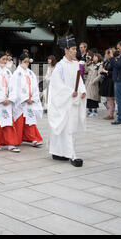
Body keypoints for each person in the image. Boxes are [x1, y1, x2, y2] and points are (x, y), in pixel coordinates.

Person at [48, 35, 86, 167]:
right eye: (73, 49)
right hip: (64, 101)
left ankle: (67, 151)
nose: (75, 51)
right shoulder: (60, 66)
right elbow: (56, 85)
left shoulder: (76, 64)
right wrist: (70, 93)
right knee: (64, 127)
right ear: (66, 50)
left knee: (71, 128)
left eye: (76, 49)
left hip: (73, 101)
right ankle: (62, 152)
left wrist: (82, 91)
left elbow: (79, 80)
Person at [9, 53, 43, 148]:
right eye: (25, 62)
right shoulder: (16, 73)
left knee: (30, 121)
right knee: (19, 121)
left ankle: (33, 139)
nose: (26, 63)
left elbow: (35, 86)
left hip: (30, 101)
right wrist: (24, 98)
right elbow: (15, 88)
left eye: (28, 62)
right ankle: (17, 138)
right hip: (21, 102)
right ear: (20, 62)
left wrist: (33, 98)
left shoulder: (30, 73)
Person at [99, 49, 116, 120]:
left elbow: (114, 72)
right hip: (106, 81)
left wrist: (105, 71)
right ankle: (110, 113)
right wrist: (102, 71)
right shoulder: (106, 62)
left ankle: (111, 114)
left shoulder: (113, 62)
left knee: (111, 98)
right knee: (108, 98)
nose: (105, 55)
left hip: (111, 82)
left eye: (106, 54)